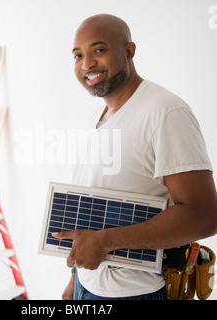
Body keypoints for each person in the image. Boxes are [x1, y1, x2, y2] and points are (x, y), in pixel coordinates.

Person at [52, 14, 217, 300]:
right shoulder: (100, 116)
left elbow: (205, 216)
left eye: (99, 50)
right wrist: (75, 278)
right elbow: (92, 204)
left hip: (135, 292)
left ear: (129, 51)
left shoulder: (165, 112)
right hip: (87, 285)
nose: (87, 64)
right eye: (78, 55)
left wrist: (105, 242)